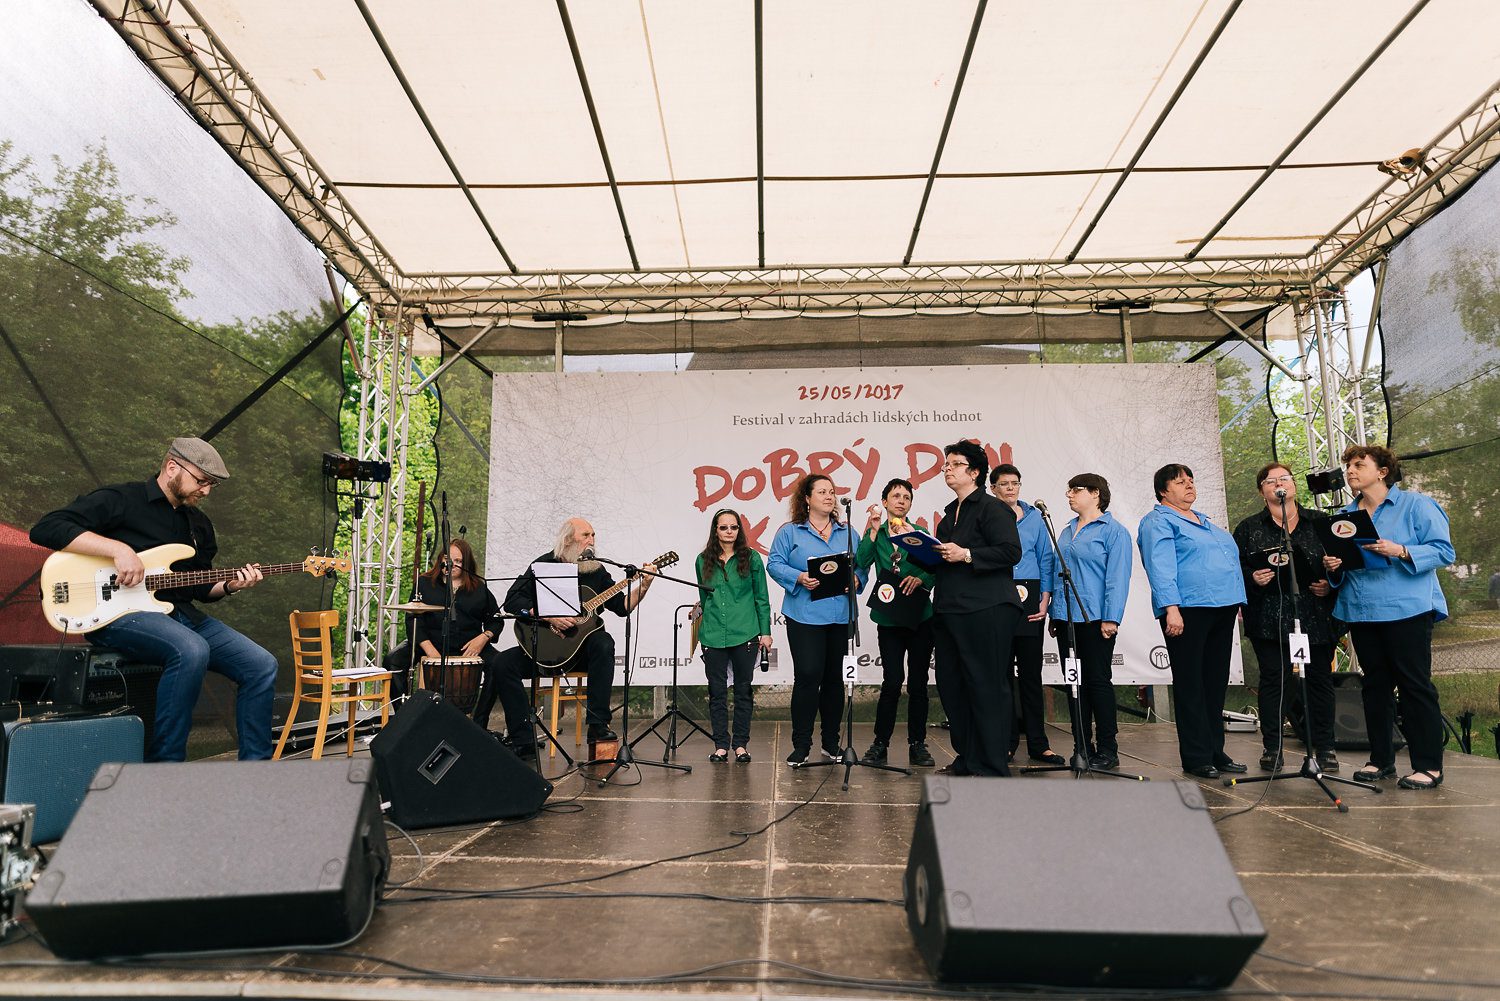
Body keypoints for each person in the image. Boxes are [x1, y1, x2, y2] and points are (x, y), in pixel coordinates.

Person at [30, 437, 278, 762]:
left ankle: (256, 769)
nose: (206, 491)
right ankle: (166, 767)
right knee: (191, 649)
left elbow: (199, 589)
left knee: (260, 664)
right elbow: (46, 528)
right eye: (201, 481)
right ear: (173, 467)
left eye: (212, 485)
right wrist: (118, 550)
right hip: (118, 614)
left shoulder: (199, 526)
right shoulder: (122, 499)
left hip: (181, 615)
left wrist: (230, 585)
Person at [1323, 445, 1454, 790]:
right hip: (1362, 610)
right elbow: (1343, 569)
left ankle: (1429, 765)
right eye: (1348, 466)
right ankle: (1381, 760)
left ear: (1382, 472)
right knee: (1374, 686)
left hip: (1407, 608)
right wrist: (1334, 567)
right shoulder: (1344, 517)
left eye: (1359, 464)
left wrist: (1401, 550)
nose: (1350, 471)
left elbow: (1444, 551)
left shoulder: (1416, 505)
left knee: (1414, 685)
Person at [480, 518, 656, 753]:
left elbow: (622, 607)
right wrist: (547, 616)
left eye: (593, 535)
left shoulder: (596, 570)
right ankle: (523, 739)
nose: (591, 541)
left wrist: (643, 586)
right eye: (586, 535)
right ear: (567, 540)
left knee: (604, 643)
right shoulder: (542, 565)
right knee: (502, 663)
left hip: (581, 654)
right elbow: (513, 601)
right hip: (543, 650)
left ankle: (598, 726)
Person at [1137, 463, 1247, 780]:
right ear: (1163, 491)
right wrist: (1170, 608)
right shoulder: (1158, 521)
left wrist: (1238, 599)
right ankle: (1196, 756)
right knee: (1191, 684)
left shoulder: (1205, 522)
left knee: (1214, 683)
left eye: (1190, 480)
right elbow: (1160, 567)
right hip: (1188, 610)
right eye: (1179, 481)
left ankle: (1215, 751)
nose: (1188, 485)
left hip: (1222, 607)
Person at [1232, 463, 1340, 772]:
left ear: (1294, 485)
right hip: (1269, 617)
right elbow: (1235, 569)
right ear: (1262, 491)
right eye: (1271, 481)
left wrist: (1330, 582)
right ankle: (1273, 747)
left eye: (1284, 478)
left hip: (1316, 614)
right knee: (1274, 680)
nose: (1279, 484)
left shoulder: (1319, 522)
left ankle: (1325, 747)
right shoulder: (1248, 528)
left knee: (1319, 679)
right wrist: (1253, 577)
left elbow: (1343, 564)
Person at [930, 440, 1022, 777]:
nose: (947, 469)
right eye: (946, 464)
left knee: (986, 685)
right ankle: (968, 757)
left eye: (955, 464)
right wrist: (913, 547)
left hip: (988, 608)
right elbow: (944, 562)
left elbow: (1011, 552)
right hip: (950, 609)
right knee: (953, 685)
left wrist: (967, 554)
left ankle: (992, 762)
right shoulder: (948, 515)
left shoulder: (992, 508)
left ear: (975, 472)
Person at [766, 473, 866, 765]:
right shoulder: (790, 532)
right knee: (808, 676)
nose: (829, 496)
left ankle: (831, 743)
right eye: (821, 492)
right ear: (807, 499)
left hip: (840, 614)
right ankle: (801, 745)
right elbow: (774, 563)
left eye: (831, 491)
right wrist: (798, 577)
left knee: (835, 679)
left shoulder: (848, 532)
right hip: (804, 615)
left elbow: (862, 565)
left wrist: (857, 580)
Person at [1049, 473, 1132, 769]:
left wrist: (1111, 618)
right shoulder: (1066, 530)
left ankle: (1108, 750)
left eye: (1076, 489)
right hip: (1066, 619)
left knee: (1097, 682)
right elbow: (1056, 573)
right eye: (1069, 490)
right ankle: (1082, 747)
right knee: (1074, 684)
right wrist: (1055, 613)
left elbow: (1117, 578)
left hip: (1096, 619)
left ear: (1096, 493)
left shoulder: (1114, 531)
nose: (1069, 495)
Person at [854, 478, 936, 768]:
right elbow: (861, 561)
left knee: (918, 683)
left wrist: (921, 579)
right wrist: (872, 530)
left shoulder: (920, 533)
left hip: (920, 616)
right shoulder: (877, 534)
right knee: (891, 681)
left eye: (906, 497)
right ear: (885, 502)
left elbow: (936, 567)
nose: (901, 500)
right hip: (889, 618)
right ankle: (880, 743)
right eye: (896, 496)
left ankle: (918, 744)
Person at [989, 464, 1061, 766]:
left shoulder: (1034, 518)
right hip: (999, 597)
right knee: (1002, 677)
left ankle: (1038, 744)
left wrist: (1045, 600)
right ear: (993, 488)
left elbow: (1046, 560)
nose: (1010, 488)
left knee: (1031, 675)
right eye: (1004, 484)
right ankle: (1006, 743)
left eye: (1015, 483)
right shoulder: (988, 516)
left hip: (1031, 600)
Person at [386, 538, 501, 716]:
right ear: (441, 559)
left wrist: (483, 638)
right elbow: (413, 620)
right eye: (447, 559)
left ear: (467, 563)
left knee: (499, 665)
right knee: (393, 660)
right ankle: (404, 716)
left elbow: (496, 620)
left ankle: (479, 721)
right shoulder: (424, 583)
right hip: (429, 642)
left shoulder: (478, 587)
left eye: (458, 561)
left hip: (467, 646)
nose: (451, 564)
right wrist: (429, 650)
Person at [694, 509, 772, 763]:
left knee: (743, 691)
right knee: (716, 692)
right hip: (713, 634)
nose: (729, 532)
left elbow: (761, 598)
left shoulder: (752, 558)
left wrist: (765, 633)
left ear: (739, 530)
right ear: (715, 530)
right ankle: (720, 745)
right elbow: (705, 598)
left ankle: (740, 745)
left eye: (733, 527)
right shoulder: (702, 560)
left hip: (745, 632)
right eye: (723, 527)